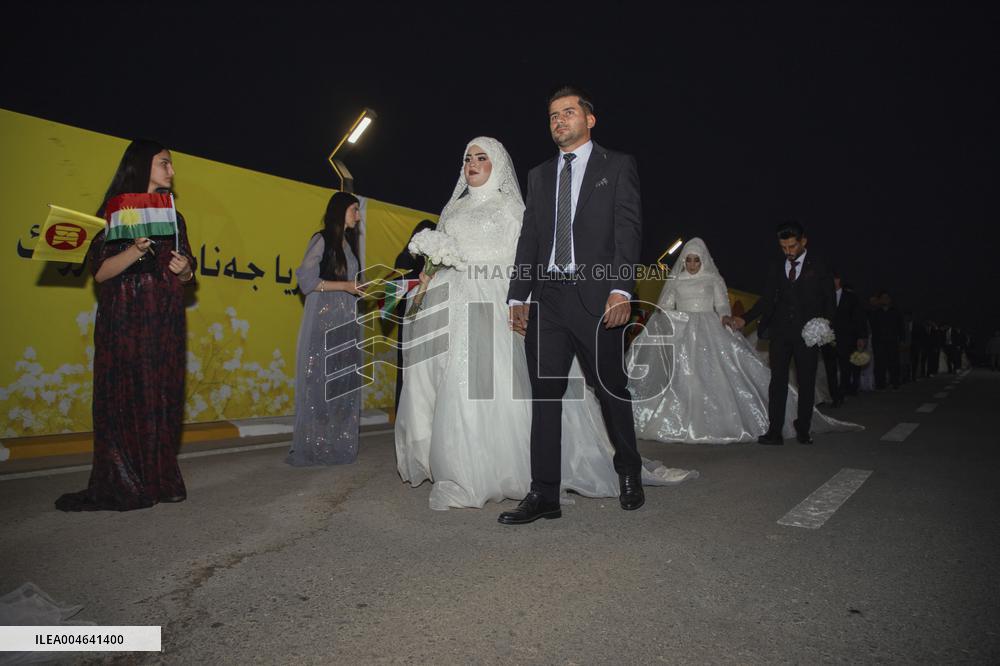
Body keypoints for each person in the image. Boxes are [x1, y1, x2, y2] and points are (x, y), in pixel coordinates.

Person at [395, 137, 694, 511]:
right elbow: (443, 253)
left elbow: (528, 251)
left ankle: (609, 467)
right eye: (468, 157)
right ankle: (467, 470)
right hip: (453, 302)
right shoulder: (452, 209)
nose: (473, 163)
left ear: (498, 165)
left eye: (482, 157)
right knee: (456, 386)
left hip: (496, 297)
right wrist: (430, 272)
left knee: (567, 385)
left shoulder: (510, 207)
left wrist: (520, 297)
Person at [503, 86, 649, 524]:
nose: (559, 121)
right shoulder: (539, 175)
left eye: (568, 113)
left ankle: (629, 471)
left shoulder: (618, 165)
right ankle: (544, 493)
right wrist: (518, 293)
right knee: (544, 396)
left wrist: (622, 290)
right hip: (548, 299)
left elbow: (628, 230)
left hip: (598, 299)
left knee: (610, 389)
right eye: (552, 116)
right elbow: (529, 238)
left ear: (590, 119)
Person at [55, 140, 195, 511]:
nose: (171, 171)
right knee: (126, 398)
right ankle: (126, 480)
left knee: (162, 397)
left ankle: (160, 479)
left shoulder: (174, 217)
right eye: (165, 163)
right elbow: (100, 273)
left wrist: (185, 272)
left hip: (165, 321)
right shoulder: (114, 213)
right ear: (141, 166)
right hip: (125, 320)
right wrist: (135, 249)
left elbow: (187, 270)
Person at [628, 238, 859, 444]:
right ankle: (681, 418)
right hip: (683, 330)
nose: (691, 265)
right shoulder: (676, 280)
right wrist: (674, 318)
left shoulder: (713, 278)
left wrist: (727, 320)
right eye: (688, 260)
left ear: (703, 260)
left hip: (709, 329)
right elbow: (666, 305)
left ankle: (728, 421)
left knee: (713, 375)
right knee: (684, 375)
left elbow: (721, 305)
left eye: (696, 260)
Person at [728, 221, 836, 445]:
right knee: (777, 382)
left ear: (803, 241)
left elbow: (829, 301)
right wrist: (745, 319)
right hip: (780, 333)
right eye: (784, 247)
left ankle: (803, 428)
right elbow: (766, 299)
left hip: (808, 335)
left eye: (792, 246)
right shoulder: (776, 265)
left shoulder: (819, 265)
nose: (788, 251)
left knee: (806, 382)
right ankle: (774, 431)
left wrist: (824, 325)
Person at [286, 192, 364, 466]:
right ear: (341, 210)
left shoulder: (349, 246)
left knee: (342, 383)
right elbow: (306, 281)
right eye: (355, 209)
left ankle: (335, 446)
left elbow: (351, 282)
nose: (358, 215)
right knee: (319, 382)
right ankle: (313, 447)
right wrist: (345, 286)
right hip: (323, 320)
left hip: (346, 320)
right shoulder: (321, 240)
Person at [392, 219, 436, 411]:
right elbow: (396, 291)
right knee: (407, 367)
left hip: (431, 317)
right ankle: (403, 412)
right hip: (409, 318)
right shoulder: (405, 259)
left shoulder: (436, 260)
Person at [831, 275, 868, 396]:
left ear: (838, 280)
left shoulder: (851, 297)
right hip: (829, 338)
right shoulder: (825, 296)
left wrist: (861, 336)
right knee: (831, 368)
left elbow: (859, 318)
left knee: (845, 366)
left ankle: (843, 391)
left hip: (847, 338)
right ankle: (834, 393)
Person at [869, 291, 904, 389]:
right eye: (883, 298)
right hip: (879, 342)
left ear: (890, 300)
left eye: (887, 298)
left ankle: (895, 382)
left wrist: (901, 340)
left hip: (892, 341)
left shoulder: (895, 312)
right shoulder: (875, 312)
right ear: (879, 300)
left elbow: (901, 327)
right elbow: (872, 327)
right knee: (880, 363)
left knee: (894, 363)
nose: (885, 300)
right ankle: (880, 384)